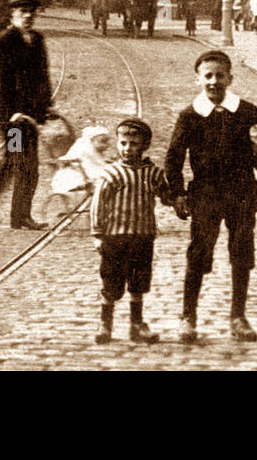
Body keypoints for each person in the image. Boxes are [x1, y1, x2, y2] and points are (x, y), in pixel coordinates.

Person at [166, 50, 257, 344]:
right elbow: (173, 157)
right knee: (199, 252)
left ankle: (238, 317)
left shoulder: (247, 111)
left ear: (230, 78)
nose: (214, 81)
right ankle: (189, 316)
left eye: (220, 75)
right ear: (198, 78)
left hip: (241, 192)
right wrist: (176, 194)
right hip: (206, 194)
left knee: (242, 252)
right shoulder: (190, 115)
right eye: (208, 76)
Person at [0, 0, 52, 230]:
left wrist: (46, 108)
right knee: (22, 164)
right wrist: (12, 113)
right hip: (13, 120)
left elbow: (43, 78)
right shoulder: (4, 42)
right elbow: (0, 83)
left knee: (19, 163)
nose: (28, 16)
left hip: (31, 117)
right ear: (13, 14)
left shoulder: (37, 40)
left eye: (31, 12)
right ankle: (19, 216)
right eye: (22, 12)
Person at [90, 116, 171, 344]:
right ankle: (105, 324)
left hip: (143, 236)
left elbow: (166, 195)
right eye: (123, 143)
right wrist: (98, 234)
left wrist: (179, 200)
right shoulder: (111, 173)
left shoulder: (153, 173)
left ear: (144, 145)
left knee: (138, 281)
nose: (127, 149)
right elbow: (98, 204)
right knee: (111, 282)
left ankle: (137, 325)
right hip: (115, 237)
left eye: (134, 144)